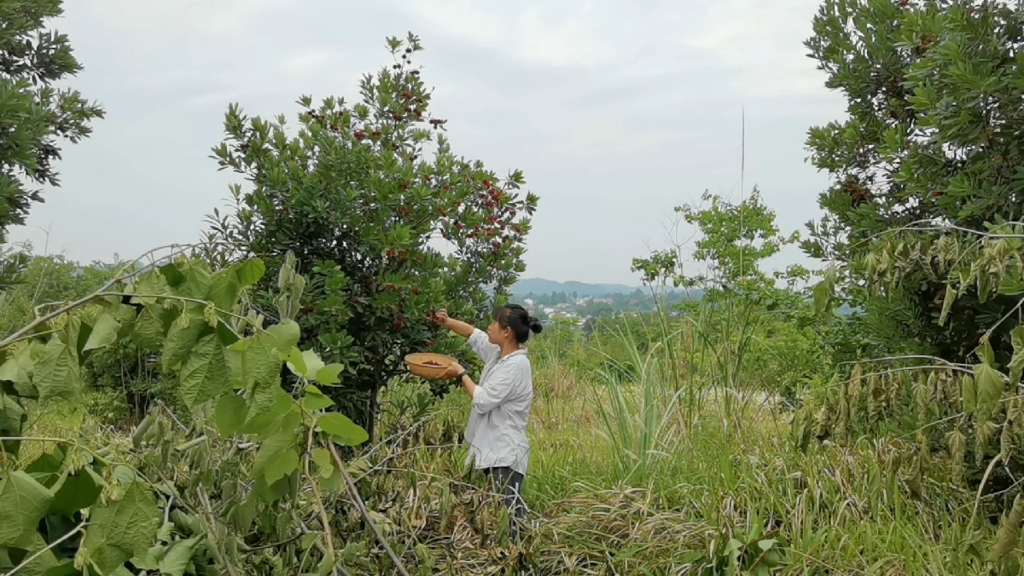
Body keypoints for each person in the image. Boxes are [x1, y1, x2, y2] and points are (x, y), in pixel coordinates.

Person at [431, 304, 543, 542]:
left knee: (507, 522)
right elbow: (473, 334)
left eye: (494, 323)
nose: (488, 326)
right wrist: (447, 321)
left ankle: (515, 563)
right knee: (490, 518)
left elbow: (482, 400)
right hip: (491, 451)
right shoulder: (499, 355)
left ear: (507, 332)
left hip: (505, 454)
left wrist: (461, 374)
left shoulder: (515, 366)